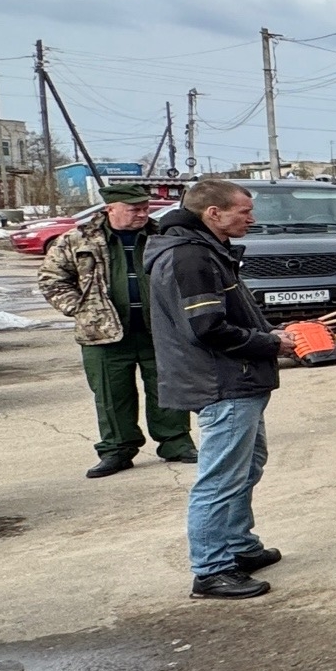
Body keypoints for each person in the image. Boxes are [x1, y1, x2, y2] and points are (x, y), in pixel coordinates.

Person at [147, 177, 284, 600]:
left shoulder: (204, 249)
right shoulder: (190, 257)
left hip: (234, 377)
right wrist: (273, 342)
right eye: (244, 211)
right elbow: (208, 328)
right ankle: (211, 569)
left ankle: (238, 546)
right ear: (213, 214)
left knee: (247, 465)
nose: (252, 218)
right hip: (221, 381)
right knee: (220, 478)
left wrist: (267, 334)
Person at [37, 183, 197, 478]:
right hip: (102, 333)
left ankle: (176, 442)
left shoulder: (162, 236)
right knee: (112, 394)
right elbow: (51, 279)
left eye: (145, 208)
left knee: (167, 387)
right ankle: (117, 449)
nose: (142, 214)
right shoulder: (78, 239)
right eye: (134, 209)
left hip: (159, 329)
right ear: (110, 209)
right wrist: (81, 308)